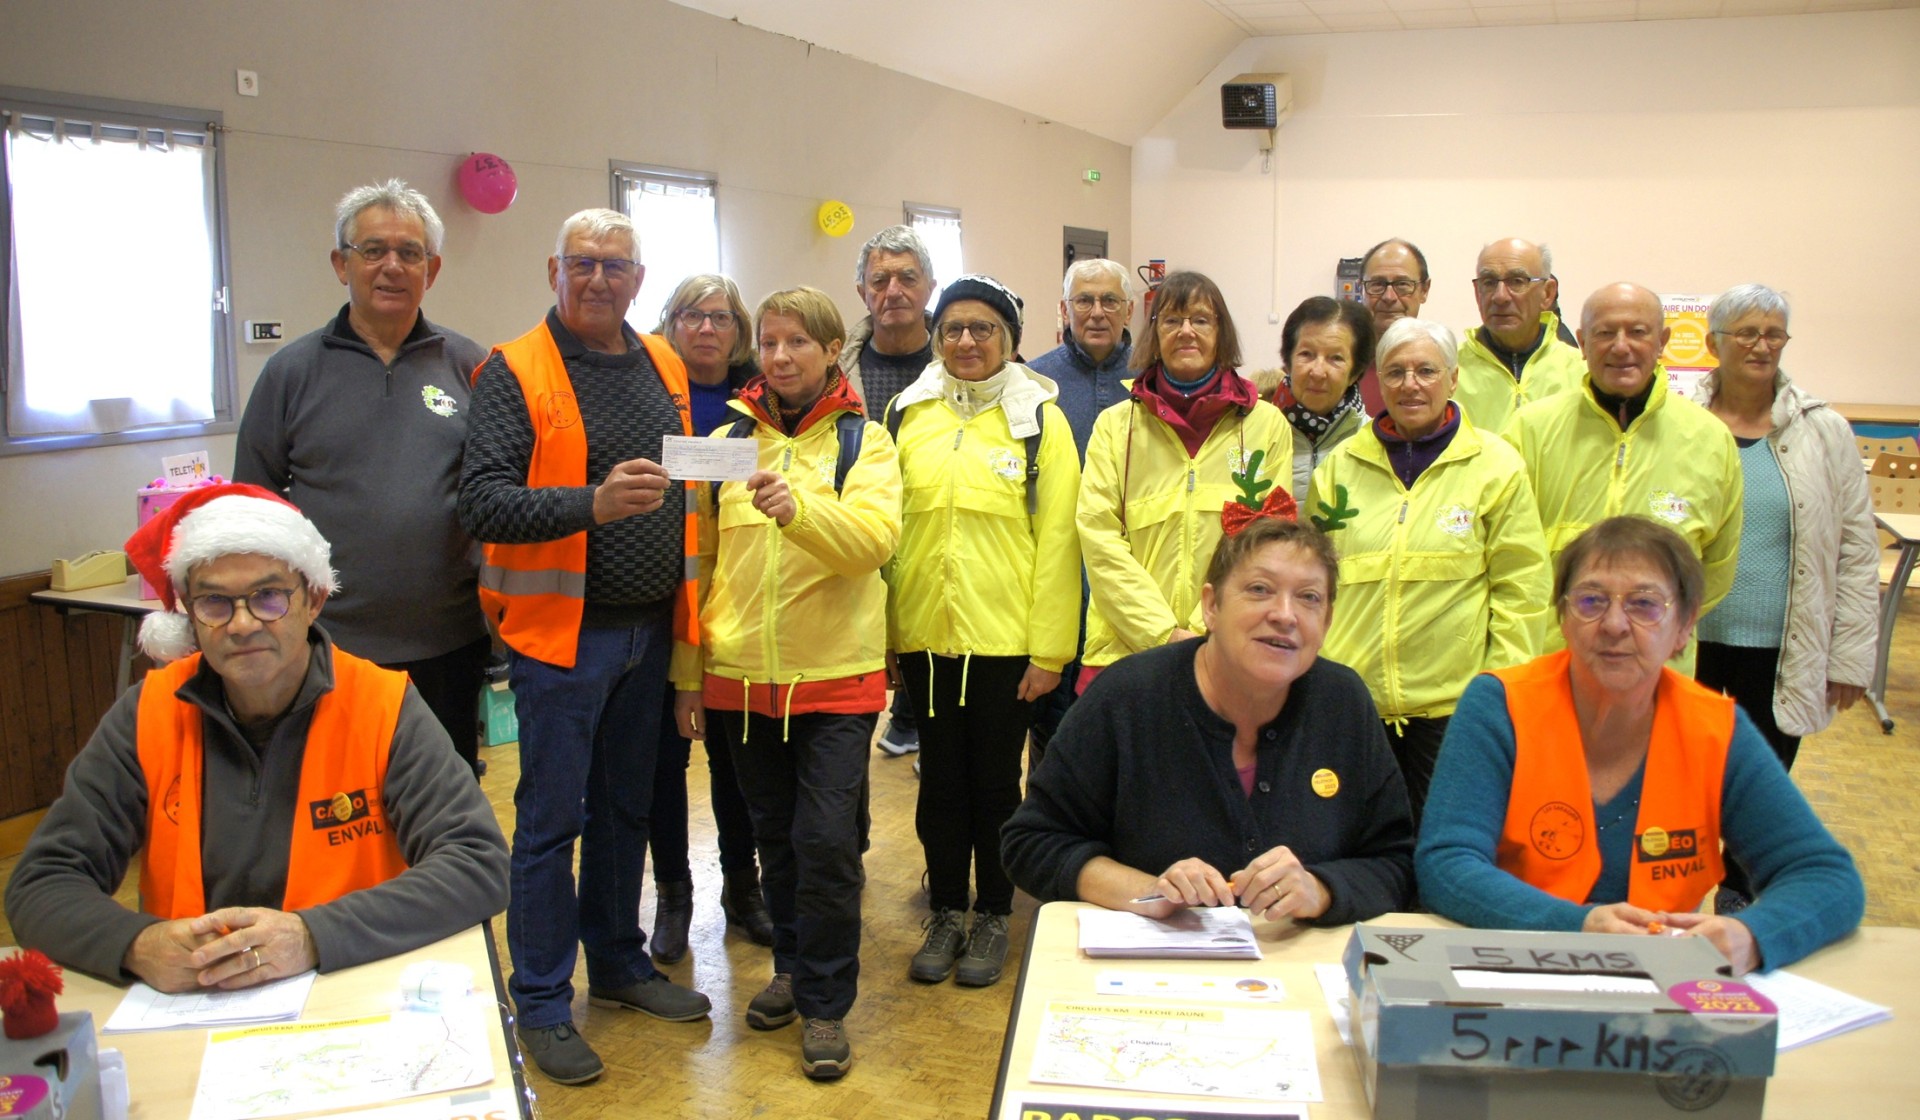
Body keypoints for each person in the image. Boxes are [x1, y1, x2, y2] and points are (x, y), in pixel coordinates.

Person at [5, 483, 507, 992]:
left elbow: (477, 865)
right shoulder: (148, 712)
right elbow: (41, 883)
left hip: (350, 998)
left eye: (268, 597)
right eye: (215, 603)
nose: (242, 624)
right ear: (188, 613)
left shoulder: (383, 706)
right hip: (191, 1014)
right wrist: (137, 944)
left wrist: (311, 935)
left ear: (312, 599)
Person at [459, 208, 710, 1087]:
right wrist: (589, 505)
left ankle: (619, 963)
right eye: (582, 263)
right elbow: (483, 501)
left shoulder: (664, 363)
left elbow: (683, 481)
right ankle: (538, 998)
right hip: (561, 641)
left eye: (615, 265)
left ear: (640, 281)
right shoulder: (512, 369)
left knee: (625, 813)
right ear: (553, 270)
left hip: (650, 633)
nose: (598, 279)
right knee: (550, 822)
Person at [1416, 517, 1864, 973]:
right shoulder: (1499, 706)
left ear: (1685, 627)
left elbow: (1826, 876)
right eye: (1591, 601)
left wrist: (1752, 934)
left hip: (1661, 986)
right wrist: (1579, 927)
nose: (1613, 624)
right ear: (1563, 618)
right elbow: (1446, 863)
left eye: (1644, 605)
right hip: (1506, 968)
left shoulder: (1715, 730)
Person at [673, 286, 901, 1080]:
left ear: (832, 350)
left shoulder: (864, 442)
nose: (779, 357)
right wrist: (688, 675)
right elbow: (696, 564)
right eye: (768, 342)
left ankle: (828, 1005)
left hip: (835, 678)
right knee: (774, 840)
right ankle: (794, 972)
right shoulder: (728, 437)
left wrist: (795, 507)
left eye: (798, 342)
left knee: (828, 842)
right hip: (737, 681)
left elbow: (873, 542)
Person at [1002, 518, 1415, 923]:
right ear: (1212, 605)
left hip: (1301, 975)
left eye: (1309, 597)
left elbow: (1395, 860)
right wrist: (1148, 890)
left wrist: (1322, 889)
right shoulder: (1127, 696)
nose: (1285, 614)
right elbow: (1031, 843)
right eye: (1259, 589)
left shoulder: (1343, 704)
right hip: (1151, 974)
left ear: (1325, 622)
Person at [233, 179, 491, 778]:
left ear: (434, 269)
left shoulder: (470, 364)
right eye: (373, 250)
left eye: (411, 252)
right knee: (338, 806)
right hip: (327, 645)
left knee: (440, 805)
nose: (392, 266)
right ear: (340, 263)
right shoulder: (290, 373)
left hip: (448, 643)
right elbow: (252, 505)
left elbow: (499, 492)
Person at [887, 275, 1081, 989]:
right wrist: (889, 637)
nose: (967, 342)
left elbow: (1060, 541)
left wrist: (1051, 650)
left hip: (1008, 649)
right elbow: (889, 534)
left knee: (998, 787)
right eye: (954, 330)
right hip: (925, 643)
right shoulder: (909, 415)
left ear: (1010, 339)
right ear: (937, 338)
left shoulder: (1041, 422)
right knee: (939, 785)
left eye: (984, 329)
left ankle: (995, 913)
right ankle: (944, 909)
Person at [1307, 318, 1550, 827]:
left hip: (1452, 713)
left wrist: (1496, 694)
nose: (1410, 385)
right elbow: (1312, 587)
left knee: (1443, 850)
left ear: (1453, 379)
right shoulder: (1340, 467)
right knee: (1353, 847)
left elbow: (1522, 591)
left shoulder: (1495, 467)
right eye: (1395, 372)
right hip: (1355, 707)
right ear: (1377, 381)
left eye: (1425, 371)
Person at [1691, 284, 1878, 912]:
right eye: (1746, 332)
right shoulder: (1682, 420)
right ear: (1714, 342)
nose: (1761, 345)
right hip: (1688, 643)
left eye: (1773, 333)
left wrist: (1850, 659)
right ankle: (1678, 886)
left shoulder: (1823, 431)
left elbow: (1854, 548)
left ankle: (1740, 893)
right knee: (1683, 772)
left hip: (1780, 644)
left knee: (1759, 781)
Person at [1504, 282, 1743, 674]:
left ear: (1662, 340)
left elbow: (1716, 570)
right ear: (1581, 342)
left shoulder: (1710, 439)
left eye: (1638, 332)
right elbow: (1506, 557)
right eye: (1604, 332)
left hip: (1658, 669)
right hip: (1550, 663)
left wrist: (1648, 621)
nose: (1621, 346)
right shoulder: (1529, 430)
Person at [1076, 270, 1294, 694]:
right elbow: (1098, 538)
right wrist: (1162, 635)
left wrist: (1205, 630)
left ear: (1221, 332)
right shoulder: (1115, 426)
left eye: (1201, 319)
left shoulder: (1265, 425)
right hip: (1125, 652)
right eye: (1171, 320)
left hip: (1228, 649)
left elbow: (1267, 538)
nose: (1186, 331)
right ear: (1153, 334)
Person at [643, 274, 775, 964]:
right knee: (665, 762)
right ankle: (672, 893)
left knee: (734, 765)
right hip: (658, 592)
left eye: (720, 316)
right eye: (691, 315)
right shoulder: (646, 386)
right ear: (670, 324)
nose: (705, 328)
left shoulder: (758, 399)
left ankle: (743, 890)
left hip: (731, 598)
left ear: (739, 329)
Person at [1022, 258, 1133, 758]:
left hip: (1130, 584)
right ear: (1064, 310)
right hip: (1056, 580)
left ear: (1129, 309)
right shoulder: (1032, 383)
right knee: (1054, 741)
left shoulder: (1151, 381)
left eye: (1109, 300)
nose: (1097, 312)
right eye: (1084, 301)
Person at [839, 225, 937, 759]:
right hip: (859, 534)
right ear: (862, 292)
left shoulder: (962, 367)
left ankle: (919, 723)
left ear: (929, 288)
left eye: (907, 277)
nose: (893, 290)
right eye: (879, 279)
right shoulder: (834, 373)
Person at [1455, 238, 1585, 431]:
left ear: (1547, 293)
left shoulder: (1581, 372)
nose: (1500, 296)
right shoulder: (1447, 373)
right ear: (1477, 293)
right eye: (1489, 282)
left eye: (1517, 281)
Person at [1272, 296, 1376, 498]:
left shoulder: (1374, 442)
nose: (1318, 372)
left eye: (1335, 358)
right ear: (1288, 362)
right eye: (1306, 354)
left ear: (1354, 373)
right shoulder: (1258, 432)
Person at [1355, 238, 1431, 414]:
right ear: (1361, 289)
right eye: (1377, 284)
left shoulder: (1443, 367)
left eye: (1402, 284)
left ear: (1425, 290)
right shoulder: (1335, 366)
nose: (1389, 297)